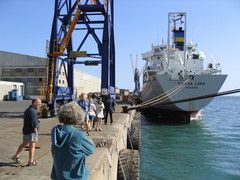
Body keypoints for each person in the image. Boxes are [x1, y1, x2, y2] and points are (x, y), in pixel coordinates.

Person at [51, 101, 94, 180]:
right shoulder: (78, 135)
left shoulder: (55, 131)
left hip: (58, 176)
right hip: (76, 177)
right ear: (77, 117)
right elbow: (91, 150)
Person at [11, 98, 41, 166]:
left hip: (26, 130)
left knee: (24, 144)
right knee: (32, 146)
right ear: (34, 103)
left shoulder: (28, 110)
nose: (40, 105)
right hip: (31, 131)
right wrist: (35, 128)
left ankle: (16, 156)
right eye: (39, 104)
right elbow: (34, 121)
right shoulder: (33, 111)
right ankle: (31, 161)